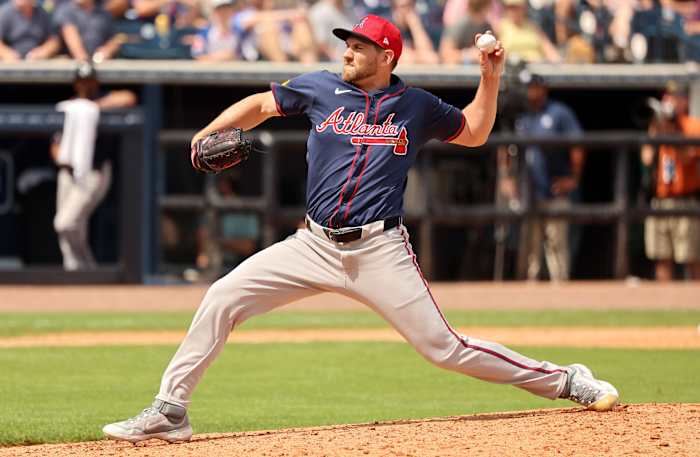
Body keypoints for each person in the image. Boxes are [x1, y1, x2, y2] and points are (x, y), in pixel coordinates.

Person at [102, 16, 618, 444]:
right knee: (222, 297)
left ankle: (566, 379)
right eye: (347, 44)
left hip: (379, 249)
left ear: (387, 56)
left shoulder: (414, 105)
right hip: (311, 244)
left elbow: (476, 131)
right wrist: (208, 133)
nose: (348, 51)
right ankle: (172, 410)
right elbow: (261, 104)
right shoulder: (321, 86)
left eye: (360, 46)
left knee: (444, 348)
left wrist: (490, 74)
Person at [52, 61, 137, 271]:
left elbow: (129, 98)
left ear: (96, 82)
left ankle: (87, 269)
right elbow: (55, 145)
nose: (85, 86)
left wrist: (93, 107)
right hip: (69, 171)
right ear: (75, 84)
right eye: (82, 82)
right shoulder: (69, 107)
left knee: (64, 223)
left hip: (94, 171)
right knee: (73, 228)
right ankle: (73, 271)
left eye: (89, 81)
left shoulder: (99, 102)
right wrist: (64, 160)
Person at [506, 74, 585, 282]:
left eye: (533, 87)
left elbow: (578, 146)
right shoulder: (520, 116)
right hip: (529, 192)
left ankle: (561, 296)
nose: (529, 91)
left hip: (555, 189)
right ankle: (531, 300)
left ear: (543, 88)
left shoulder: (559, 113)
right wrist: (509, 180)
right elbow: (507, 150)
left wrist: (573, 178)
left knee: (557, 247)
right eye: (527, 87)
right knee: (530, 252)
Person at [641, 82, 700, 280]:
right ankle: (664, 304)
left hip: (684, 200)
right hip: (660, 199)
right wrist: (656, 131)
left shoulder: (692, 125)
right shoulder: (657, 125)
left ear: (684, 101)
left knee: (691, 257)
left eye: (675, 97)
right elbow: (646, 158)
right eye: (667, 97)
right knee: (661, 257)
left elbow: (688, 157)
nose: (670, 101)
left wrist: (673, 131)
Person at [53, 0, 123, 61]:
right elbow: (70, 36)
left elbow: (114, 39)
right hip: (73, 66)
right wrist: (85, 61)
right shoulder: (65, 10)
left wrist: (107, 51)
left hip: (99, 63)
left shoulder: (103, 13)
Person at [497, 0, 561, 63]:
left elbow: (548, 49)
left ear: (524, 8)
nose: (514, 11)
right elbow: (498, 53)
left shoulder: (533, 27)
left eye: (518, 7)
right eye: (511, 7)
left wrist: (558, 62)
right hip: (512, 68)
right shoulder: (500, 26)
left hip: (537, 66)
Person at [439, 0, 492, 65]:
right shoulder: (460, 25)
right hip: (457, 71)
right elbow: (445, 54)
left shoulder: (487, 26)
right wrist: (468, 55)